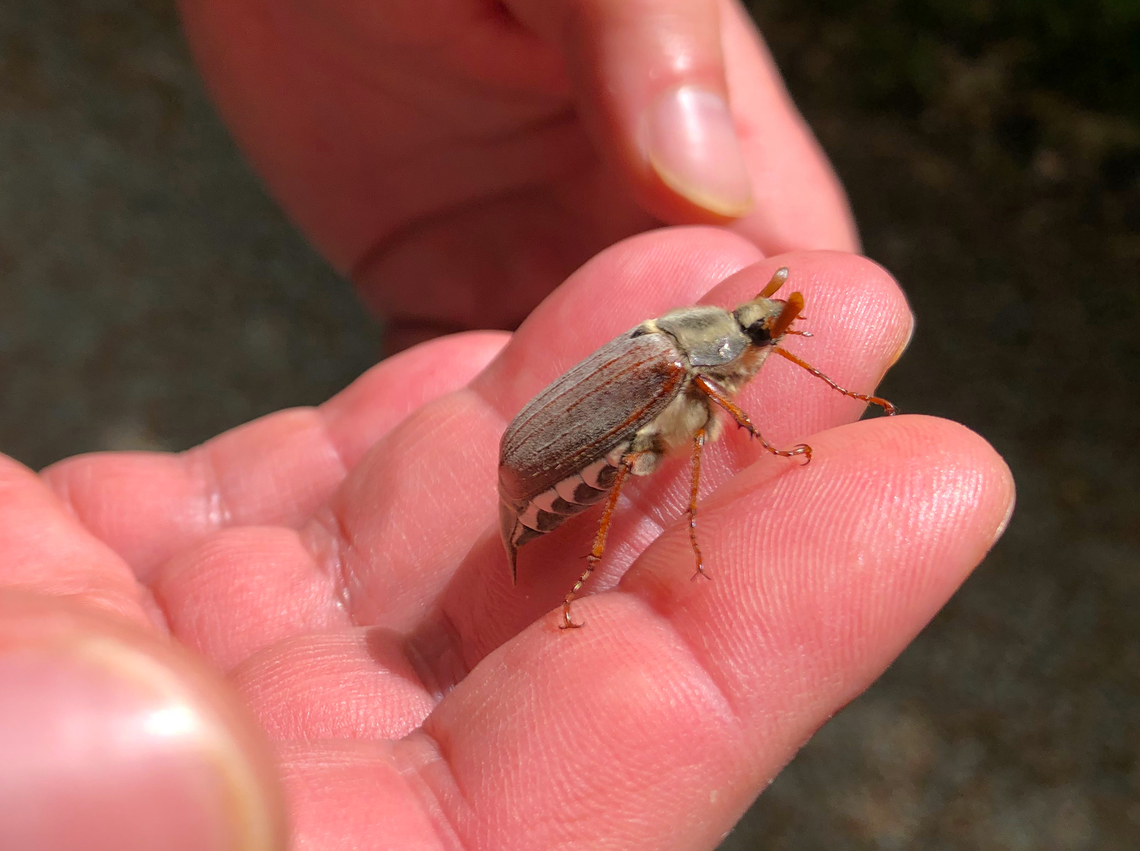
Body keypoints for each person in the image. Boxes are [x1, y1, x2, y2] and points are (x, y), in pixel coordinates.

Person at [0, 2, 1014, 849]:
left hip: (551, 436)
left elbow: (748, 364)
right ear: (723, 335)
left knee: (695, 432)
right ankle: (586, 569)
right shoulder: (680, 357)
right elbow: (707, 397)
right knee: (631, 471)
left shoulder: (701, 352)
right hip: (551, 459)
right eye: (753, 329)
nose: (764, 337)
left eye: (761, 332)